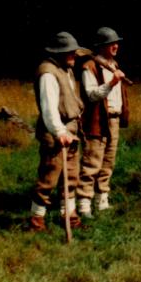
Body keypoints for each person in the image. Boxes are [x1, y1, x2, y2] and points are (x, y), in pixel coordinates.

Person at [29, 31, 84, 231]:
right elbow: (49, 109)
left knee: (71, 176)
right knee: (49, 177)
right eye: (70, 52)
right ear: (60, 52)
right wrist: (59, 132)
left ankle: (69, 216)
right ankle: (36, 220)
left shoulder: (66, 69)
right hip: (55, 132)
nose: (74, 56)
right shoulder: (47, 73)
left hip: (71, 130)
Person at [77, 27, 129, 218]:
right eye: (111, 43)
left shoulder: (113, 64)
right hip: (96, 120)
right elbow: (91, 95)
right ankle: (84, 203)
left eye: (117, 42)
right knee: (92, 160)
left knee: (108, 161)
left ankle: (102, 200)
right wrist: (112, 83)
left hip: (113, 119)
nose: (116, 46)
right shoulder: (89, 66)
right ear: (102, 46)